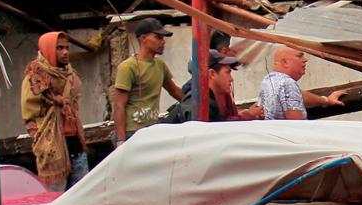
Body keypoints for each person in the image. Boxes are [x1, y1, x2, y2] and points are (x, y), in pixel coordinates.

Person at [20, 31, 87, 191]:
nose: (65, 52)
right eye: (59, 48)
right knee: (55, 202)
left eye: (66, 48)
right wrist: (42, 142)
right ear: (48, 49)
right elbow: (29, 115)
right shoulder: (35, 78)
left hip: (75, 144)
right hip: (52, 150)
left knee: (81, 200)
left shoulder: (71, 76)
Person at [112, 17, 185, 146]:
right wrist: (121, 140)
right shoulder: (128, 67)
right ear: (143, 38)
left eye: (163, 38)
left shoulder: (160, 65)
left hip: (151, 130)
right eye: (158, 37)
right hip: (132, 132)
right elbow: (119, 105)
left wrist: (195, 103)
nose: (162, 42)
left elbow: (174, 91)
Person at [163, 49, 262, 123]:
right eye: (227, 72)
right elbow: (216, 130)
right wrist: (248, 115)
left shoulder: (223, 95)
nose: (232, 79)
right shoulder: (199, 103)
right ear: (212, 74)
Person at [258, 45, 346, 120]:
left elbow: (298, 95)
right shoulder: (288, 84)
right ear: (285, 62)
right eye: (300, 56)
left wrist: (326, 100)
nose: (305, 59)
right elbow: (297, 124)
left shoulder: (268, 80)